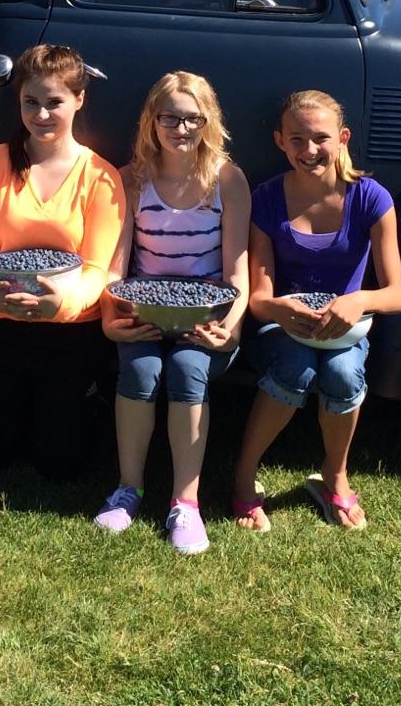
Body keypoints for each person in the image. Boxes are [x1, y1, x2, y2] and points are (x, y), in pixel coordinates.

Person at [231, 89, 401, 532]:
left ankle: (335, 475)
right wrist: (278, 308)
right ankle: (244, 475)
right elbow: (258, 297)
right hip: (283, 327)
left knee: (344, 373)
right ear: (279, 141)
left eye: (321, 138)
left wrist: (359, 299)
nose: (309, 151)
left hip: (347, 327)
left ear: (343, 137)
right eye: (296, 140)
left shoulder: (370, 198)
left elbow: (397, 294)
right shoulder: (268, 198)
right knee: (296, 366)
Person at [95, 72, 250, 554]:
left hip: (206, 315)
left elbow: (238, 274)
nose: (180, 129)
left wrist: (230, 328)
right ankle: (129, 489)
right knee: (140, 370)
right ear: (151, 121)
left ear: (208, 122)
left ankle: (186, 502)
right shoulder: (132, 179)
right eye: (170, 118)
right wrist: (111, 318)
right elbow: (115, 264)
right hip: (145, 311)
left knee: (185, 368)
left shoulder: (227, 178)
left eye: (192, 119)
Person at [0, 44, 126, 481]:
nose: (42, 114)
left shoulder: (101, 177)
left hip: (70, 329)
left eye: (55, 102)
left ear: (79, 100)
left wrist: (61, 304)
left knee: (60, 463)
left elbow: (96, 267)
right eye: (31, 102)